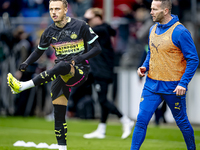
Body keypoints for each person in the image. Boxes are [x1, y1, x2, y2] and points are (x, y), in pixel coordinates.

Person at [7, 0, 101, 150]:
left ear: (65, 9)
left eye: (57, 8)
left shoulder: (80, 25)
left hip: (79, 71)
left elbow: (97, 48)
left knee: (63, 65)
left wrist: (80, 58)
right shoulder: (49, 31)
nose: (54, 12)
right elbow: (39, 50)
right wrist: (26, 62)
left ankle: (24, 86)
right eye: (51, 9)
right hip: (60, 73)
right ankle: (62, 148)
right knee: (58, 114)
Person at [131, 0, 199, 150]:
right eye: (151, 9)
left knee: (182, 123)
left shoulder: (180, 31)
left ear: (166, 10)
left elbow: (193, 59)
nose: (151, 12)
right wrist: (144, 66)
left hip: (173, 86)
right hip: (151, 85)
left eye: (155, 9)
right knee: (141, 120)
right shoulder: (152, 29)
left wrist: (183, 83)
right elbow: (151, 52)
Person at [83, 8, 134, 139]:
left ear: (97, 17)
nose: (87, 21)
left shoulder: (101, 30)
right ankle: (101, 129)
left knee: (103, 100)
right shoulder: (102, 29)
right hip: (100, 70)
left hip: (102, 71)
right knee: (102, 100)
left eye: (89, 19)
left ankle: (125, 120)